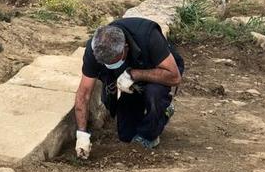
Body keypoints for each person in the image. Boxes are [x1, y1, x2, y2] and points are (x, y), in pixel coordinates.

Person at [73, 18, 184, 159]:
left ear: (125, 48)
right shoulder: (95, 49)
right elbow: (84, 94)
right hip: (127, 81)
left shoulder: (148, 37)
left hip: (158, 71)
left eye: (113, 62)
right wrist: (82, 134)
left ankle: (157, 121)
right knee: (126, 135)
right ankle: (146, 114)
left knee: (154, 95)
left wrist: (134, 74)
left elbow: (175, 77)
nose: (109, 65)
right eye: (105, 63)